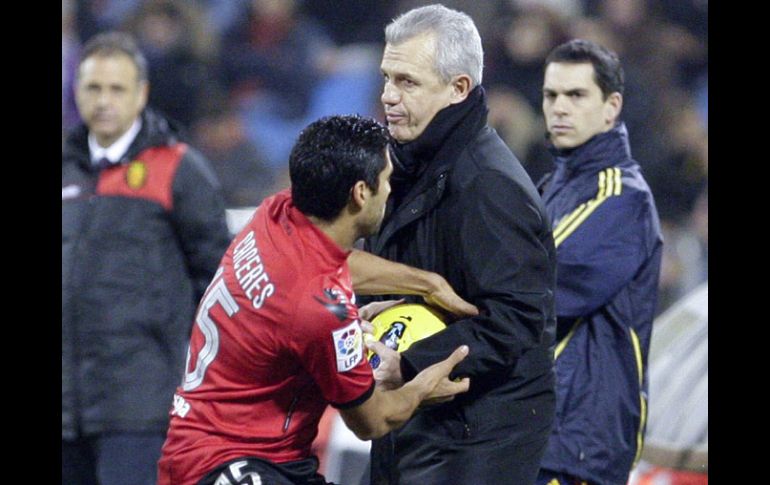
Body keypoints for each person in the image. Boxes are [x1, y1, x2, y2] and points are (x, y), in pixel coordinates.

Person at [157, 114, 475, 485]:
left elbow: (333, 267)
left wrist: (428, 284)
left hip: (236, 449)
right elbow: (371, 420)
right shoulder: (321, 311)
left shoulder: (275, 214)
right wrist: (422, 387)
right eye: (386, 180)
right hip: (227, 464)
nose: (389, 190)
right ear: (360, 193)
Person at [357, 4, 558, 484]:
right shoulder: (405, 163)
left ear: (458, 88)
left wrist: (407, 362)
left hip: (475, 439)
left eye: (407, 82)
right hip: (417, 419)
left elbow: (517, 318)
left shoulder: (488, 185)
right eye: (387, 78)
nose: (388, 96)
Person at [62, 31, 231, 485]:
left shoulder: (178, 168)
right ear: (76, 91)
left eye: (116, 88)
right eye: (93, 88)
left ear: (142, 93)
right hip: (65, 404)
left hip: (139, 403)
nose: (103, 101)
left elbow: (217, 281)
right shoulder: (65, 167)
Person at [535, 39, 663, 485]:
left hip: (578, 438)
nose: (559, 108)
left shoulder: (621, 195)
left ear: (612, 107)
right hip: (547, 431)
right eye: (551, 95)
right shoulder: (552, 185)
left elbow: (540, 287)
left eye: (576, 95)